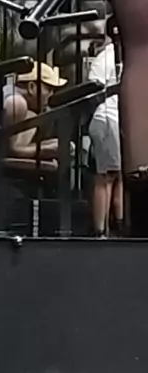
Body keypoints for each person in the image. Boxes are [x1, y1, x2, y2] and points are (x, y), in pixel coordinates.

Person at [87, 39, 123, 238]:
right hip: (108, 118)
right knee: (106, 176)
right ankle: (101, 231)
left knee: (118, 175)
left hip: (118, 120)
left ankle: (117, 226)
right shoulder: (108, 56)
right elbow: (93, 89)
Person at [2, 63, 67, 160]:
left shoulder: (20, 102)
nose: (51, 94)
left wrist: (53, 144)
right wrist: (45, 149)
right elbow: (11, 151)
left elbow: (18, 146)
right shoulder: (16, 103)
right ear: (31, 87)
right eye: (49, 89)